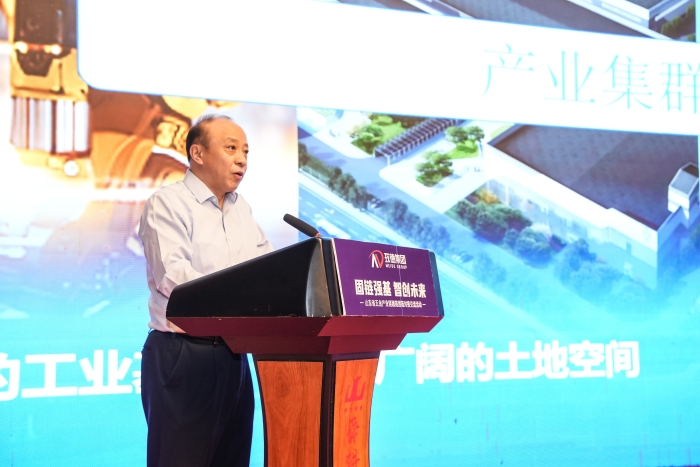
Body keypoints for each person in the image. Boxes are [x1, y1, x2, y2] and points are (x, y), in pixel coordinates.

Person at [138, 114, 272, 466]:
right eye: (231, 148)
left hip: (234, 355)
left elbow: (268, 269)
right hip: (183, 355)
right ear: (197, 153)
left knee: (232, 458)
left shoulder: (241, 209)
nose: (242, 159)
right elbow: (174, 277)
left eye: (245, 151)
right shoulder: (167, 203)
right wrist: (243, 299)